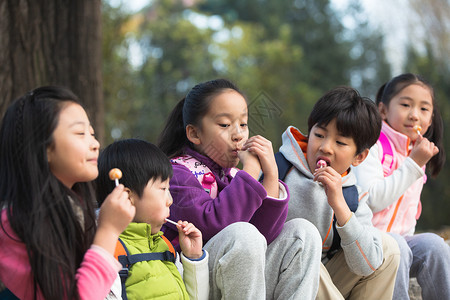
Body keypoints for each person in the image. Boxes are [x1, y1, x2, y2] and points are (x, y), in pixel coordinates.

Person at [158, 78, 322, 299]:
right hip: (196, 282)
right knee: (242, 234)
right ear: (195, 134)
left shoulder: (234, 176)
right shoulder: (177, 173)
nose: (238, 135)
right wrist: (252, 171)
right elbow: (212, 226)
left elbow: (265, 234)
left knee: (303, 233)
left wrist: (271, 174)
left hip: (241, 279)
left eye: (243, 124)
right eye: (225, 125)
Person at [0, 86, 135, 299]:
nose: (95, 144)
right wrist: (108, 231)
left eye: (91, 133)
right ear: (43, 149)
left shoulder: (75, 209)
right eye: (80, 133)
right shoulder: (17, 221)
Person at [277, 86, 401, 299]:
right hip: (280, 276)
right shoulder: (279, 168)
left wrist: (340, 206)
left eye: (340, 142)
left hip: (324, 282)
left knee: (388, 249)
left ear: (359, 157)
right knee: (305, 244)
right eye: (319, 134)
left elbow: (367, 265)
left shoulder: (354, 196)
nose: (325, 147)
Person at [352, 73, 450, 300]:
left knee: (434, 245)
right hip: (366, 241)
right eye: (405, 105)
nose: (414, 115)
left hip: (401, 244)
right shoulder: (372, 145)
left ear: (431, 117)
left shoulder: (415, 152)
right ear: (383, 110)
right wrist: (413, 164)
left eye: (424, 109)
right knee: (396, 245)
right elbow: (372, 200)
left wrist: (415, 161)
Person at [95, 138, 209, 300]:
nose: (169, 200)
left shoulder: (166, 248)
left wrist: (193, 258)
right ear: (127, 196)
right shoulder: (109, 251)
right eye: (163, 189)